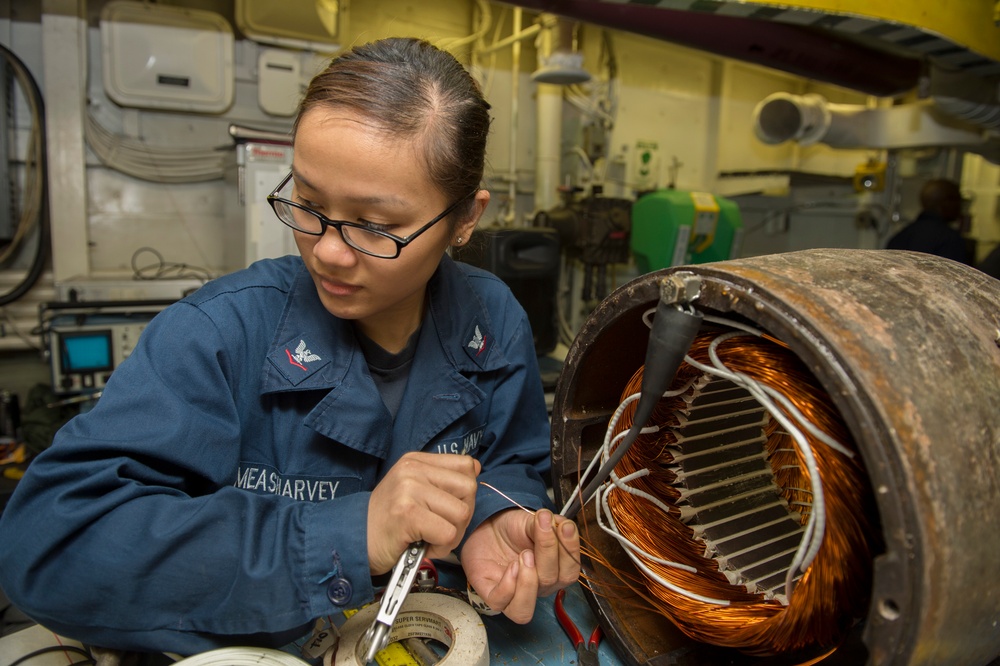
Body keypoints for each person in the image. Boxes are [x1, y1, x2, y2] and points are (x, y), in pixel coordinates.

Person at [0, 37, 580, 656]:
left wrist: (495, 522)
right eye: (307, 203)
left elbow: (511, 466)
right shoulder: (219, 334)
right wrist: (350, 534)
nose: (328, 250)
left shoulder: (493, 319)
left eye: (375, 225)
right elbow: (51, 546)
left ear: (466, 218)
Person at [886, 178, 971, 264]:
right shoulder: (950, 240)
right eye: (958, 201)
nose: (960, 207)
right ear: (946, 202)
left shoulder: (899, 238)